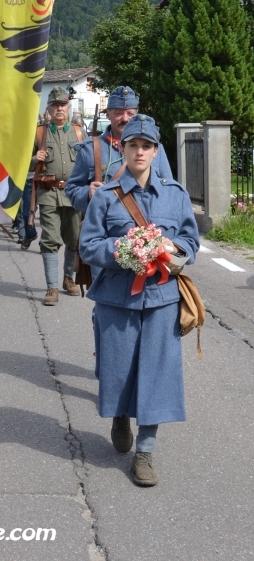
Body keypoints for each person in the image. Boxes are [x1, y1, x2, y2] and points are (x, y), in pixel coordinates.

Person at [78, 114, 199, 487]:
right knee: (119, 370)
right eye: (133, 145)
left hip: (162, 299)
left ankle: (145, 452)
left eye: (147, 146)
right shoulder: (106, 197)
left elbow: (191, 244)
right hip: (117, 298)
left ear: (156, 149)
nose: (140, 151)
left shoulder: (176, 195)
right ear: (123, 149)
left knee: (158, 374)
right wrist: (124, 249)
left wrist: (170, 247)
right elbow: (88, 246)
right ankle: (119, 416)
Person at [65, 86, 173, 215]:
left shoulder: (154, 148)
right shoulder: (90, 148)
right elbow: (72, 189)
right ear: (108, 114)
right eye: (118, 113)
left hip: (147, 224)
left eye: (130, 114)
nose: (125, 119)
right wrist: (87, 193)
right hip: (106, 225)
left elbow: (168, 189)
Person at [32, 88, 85, 305]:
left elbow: (90, 162)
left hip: (73, 193)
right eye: (55, 106)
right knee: (50, 239)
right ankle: (51, 287)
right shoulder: (38, 133)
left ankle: (68, 279)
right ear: (49, 109)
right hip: (48, 193)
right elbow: (22, 164)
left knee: (73, 239)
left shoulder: (79, 132)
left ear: (68, 107)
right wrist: (35, 158)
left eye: (62, 105)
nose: (59, 109)